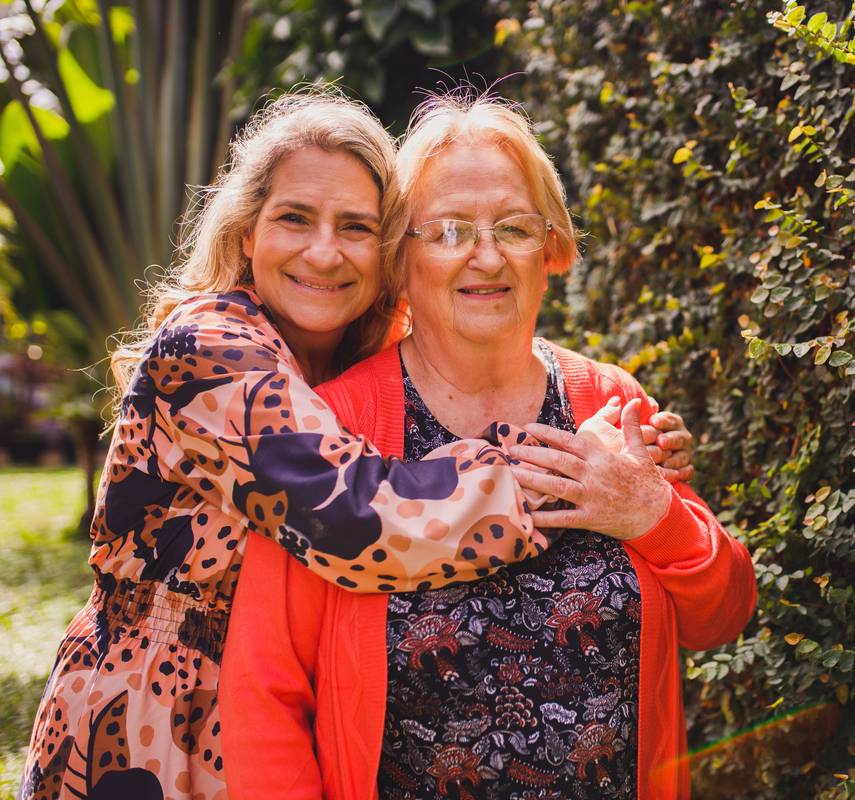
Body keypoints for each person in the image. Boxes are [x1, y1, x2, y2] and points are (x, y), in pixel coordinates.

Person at [18, 90, 625, 800]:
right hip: (154, 720)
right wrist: (568, 467)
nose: (324, 251)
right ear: (247, 232)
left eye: (356, 227)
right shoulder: (206, 349)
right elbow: (355, 515)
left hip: (284, 724)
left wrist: (611, 425)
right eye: (295, 219)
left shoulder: (344, 358)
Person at [221, 92, 757, 800]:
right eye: (445, 230)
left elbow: (723, 614)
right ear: (400, 262)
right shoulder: (335, 426)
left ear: (552, 250)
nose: (485, 255)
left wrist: (653, 513)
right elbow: (263, 691)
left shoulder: (607, 403)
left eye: (513, 226)